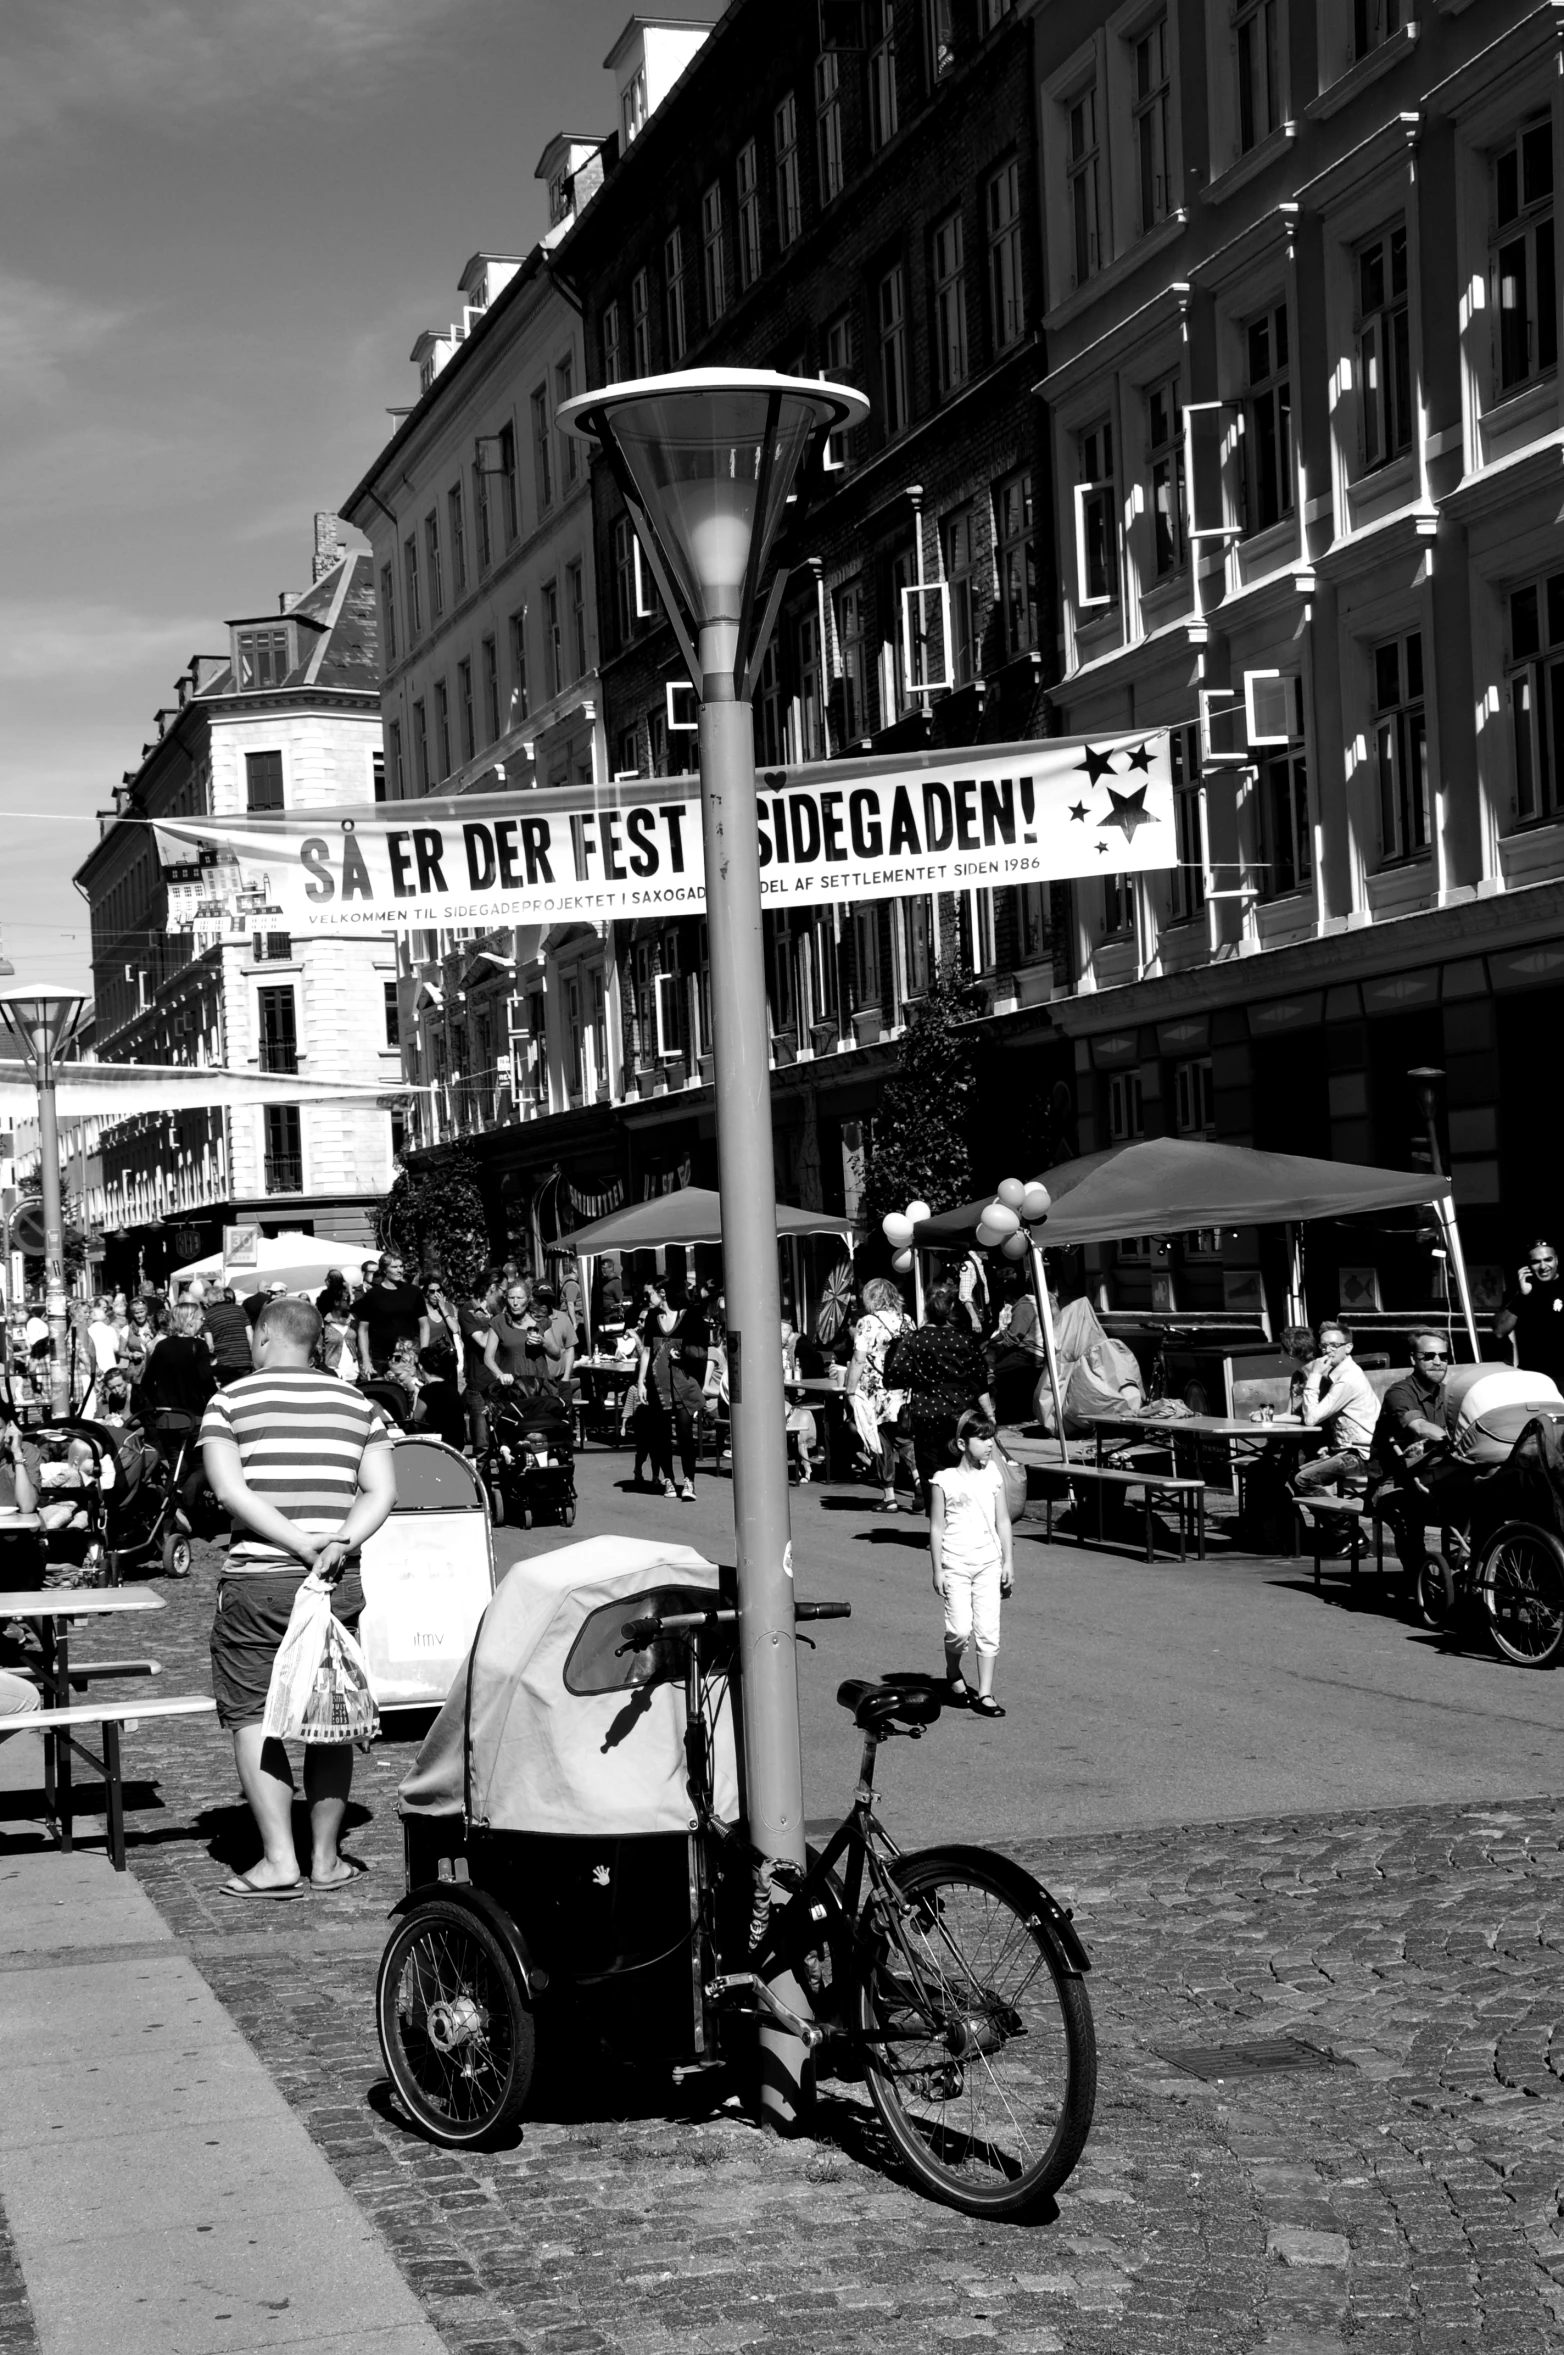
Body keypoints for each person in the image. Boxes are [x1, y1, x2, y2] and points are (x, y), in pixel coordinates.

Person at [200, 1296, 396, 1898]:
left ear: (263, 1337)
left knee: (253, 1714)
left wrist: (298, 1543)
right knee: (329, 1713)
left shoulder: (230, 1401)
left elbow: (231, 1493)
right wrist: (336, 1544)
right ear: (317, 1341)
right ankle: (326, 1858)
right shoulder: (360, 1405)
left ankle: (278, 1860)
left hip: (260, 1579)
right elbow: (381, 1491)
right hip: (334, 1584)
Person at [929, 1412, 1013, 1720]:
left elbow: (1003, 1520)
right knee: (959, 1631)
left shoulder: (993, 1474)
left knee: (988, 1629)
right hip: (956, 1563)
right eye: (983, 1438)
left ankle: (986, 1692)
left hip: (989, 1563)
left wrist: (1008, 1561)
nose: (990, 1443)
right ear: (963, 1443)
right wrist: (937, 1568)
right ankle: (953, 1672)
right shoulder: (944, 1480)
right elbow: (936, 1527)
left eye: (991, 1436)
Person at [884, 1283, 996, 1508]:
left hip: (927, 1413)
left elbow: (896, 1376)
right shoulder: (965, 1339)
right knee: (962, 1468)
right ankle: (962, 1520)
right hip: (962, 1414)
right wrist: (990, 1415)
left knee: (932, 1472)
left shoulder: (915, 1339)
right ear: (953, 1307)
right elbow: (979, 1381)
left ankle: (938, 1525)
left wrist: (920, 1377)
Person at [1372, 1330, 1463, 1571]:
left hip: (1437, 1477)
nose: (1437, 1361)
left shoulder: (1450, 1394)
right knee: (1410, 1512)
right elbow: (1420, 1425)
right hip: (1393, 1481)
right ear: (1413, 1359)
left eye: (1443, 1356)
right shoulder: (1399, 1392)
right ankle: (1420, 1586)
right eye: (1429, 1355)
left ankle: (1474, 1576)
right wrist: (1448, 1438)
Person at [1292, 1319, 1380, 1500]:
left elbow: (1311, 1418)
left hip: (1363, 1456)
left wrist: (1314, 1375)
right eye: (1323, 1346)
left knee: (1303, 1480)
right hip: (1346, 1451)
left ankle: (1346, 1528)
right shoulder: (1338, 1374)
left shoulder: (1348, 1378)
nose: (1328, 1350)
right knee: (1293, 1478)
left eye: (1334, 1345)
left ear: (1348, 1348)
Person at [848, 1277, 914, 1510]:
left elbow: (858, 1359)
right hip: (903, 1390)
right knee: (904, 1437)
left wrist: (850, 1389)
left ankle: (889, 1496)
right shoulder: (907, 1320)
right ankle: (918, 1480)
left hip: (877, 1390)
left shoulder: (867, 1322)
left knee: (881, 1440)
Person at [638, 1281, 707, 1500]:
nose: (649, 1297)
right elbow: (647, 1351)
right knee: (661, 1434)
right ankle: (668, 1479)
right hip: (658, 1384)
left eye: (653, 1293)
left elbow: (702, 1349)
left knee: (685, 1433)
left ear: (664, 1294)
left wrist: (683, 1354)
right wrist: (641, 1381)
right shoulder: (651, 1318)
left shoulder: (690, 1316)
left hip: (683, 1384)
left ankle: (689, 1481)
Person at [1495, 1240, 1564, 1388]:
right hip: (1531, 1377)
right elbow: (1499, 1331)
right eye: (1536, 1262)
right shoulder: (1519, 1291)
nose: (1543, 1267)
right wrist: (1522, 1296)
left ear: (1556, 1260)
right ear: (1528, 1265)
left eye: (1548, 1259)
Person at [356, 1252, 430, 1377]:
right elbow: (363, 1330)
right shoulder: (372, 1295)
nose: (399, 1270)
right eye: (394, 1267)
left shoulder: (413, 1292)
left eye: (401, 1266)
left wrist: (423, 1355)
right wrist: (366, 1360)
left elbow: (424, 1326)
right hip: (380, 1358)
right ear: (384, 1270)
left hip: (409, 1356)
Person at [203, 1282, 254, 1389]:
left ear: (208, 1299)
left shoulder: (207, 1315)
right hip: (244, 1360)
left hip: (224, 1364)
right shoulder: (239, 1309)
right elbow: (250, 1336)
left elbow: (210, 1345)